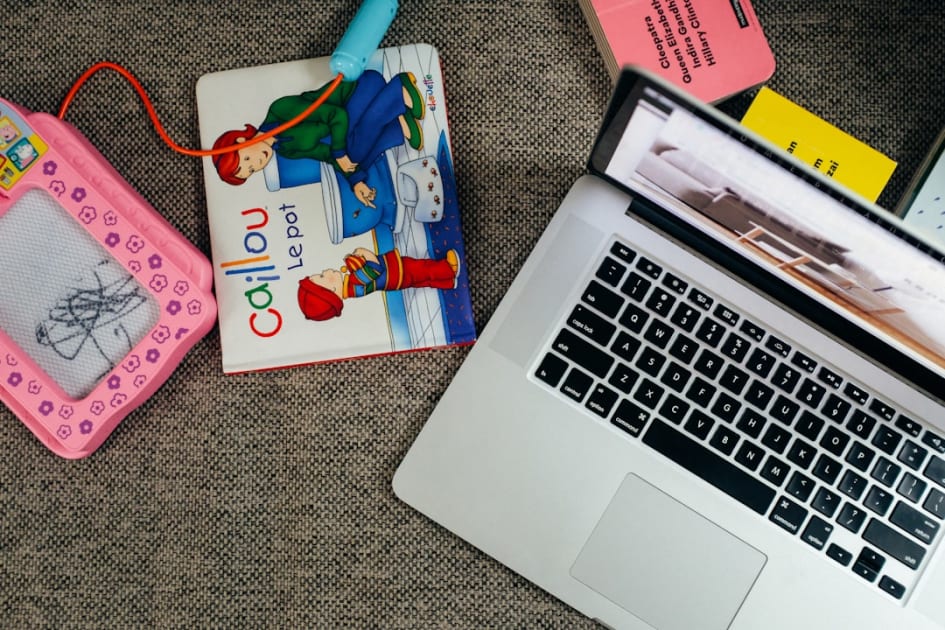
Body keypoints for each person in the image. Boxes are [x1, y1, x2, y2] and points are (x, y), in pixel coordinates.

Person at [212, 70, 425, 208]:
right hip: (361, 112)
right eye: (250, 171)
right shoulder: (286, 150)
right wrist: (356, 181)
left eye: (247, 160)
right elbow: (326, 154)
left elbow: (337, 116)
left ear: (241, 141)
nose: (256, 164)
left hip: (361, 89)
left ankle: (399, 89)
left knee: (350, 151)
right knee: (352, 157)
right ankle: (398, 126)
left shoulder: (279, 111)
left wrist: (340, 153)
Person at [297, 247, 460, 321]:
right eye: (321, 276)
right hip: (397, 272)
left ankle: (447, 282)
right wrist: (363, 252)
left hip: (395, 280)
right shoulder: (354, 283)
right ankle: (448, 269)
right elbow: (376, 268)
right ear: (332, 289)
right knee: (422, 269)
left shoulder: (351, 287)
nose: (325, 271)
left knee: (421, 281)